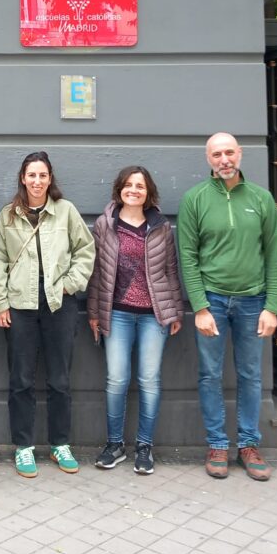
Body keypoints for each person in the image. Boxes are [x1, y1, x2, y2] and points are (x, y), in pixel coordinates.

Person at [177, 132, 277, 481]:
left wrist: (272, 306)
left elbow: (274, 256)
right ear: (208, 159)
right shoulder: (195, 199)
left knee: (250, 375)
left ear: (240, 154)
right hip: (213, 301)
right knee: (210, 375)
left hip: (253, 301)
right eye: (217, 154)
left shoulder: (261, 198)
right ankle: (218, 444)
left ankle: (249, 445)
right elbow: (188, 256)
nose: (224, 160)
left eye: (229, 153)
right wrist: (200, 307)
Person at [0, 152, 95, 478]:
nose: (37, 181)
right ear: (23, 178)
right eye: (31, 175)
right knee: (20, 380)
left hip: (59, 305)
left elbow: (85, 250)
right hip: (20, 306)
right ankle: (23, 446)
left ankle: (60, 443)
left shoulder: (66, 211)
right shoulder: (8, 215)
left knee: (59, 379)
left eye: (42, 175)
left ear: (50, 179)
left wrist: (71, 284)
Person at [86, 166, 184, 476]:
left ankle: (145, 446)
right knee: (117, 379)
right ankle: (115, 444)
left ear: (148, 192)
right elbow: (96, 273)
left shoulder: (161, 227)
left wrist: (175, 310)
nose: (134, 190)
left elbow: (171, 270)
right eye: (128, 185)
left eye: (140, 186)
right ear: (119, 190)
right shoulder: (105, 225)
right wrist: (93, 313)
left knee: (149, 379)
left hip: (154, 316)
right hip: (116, 313)